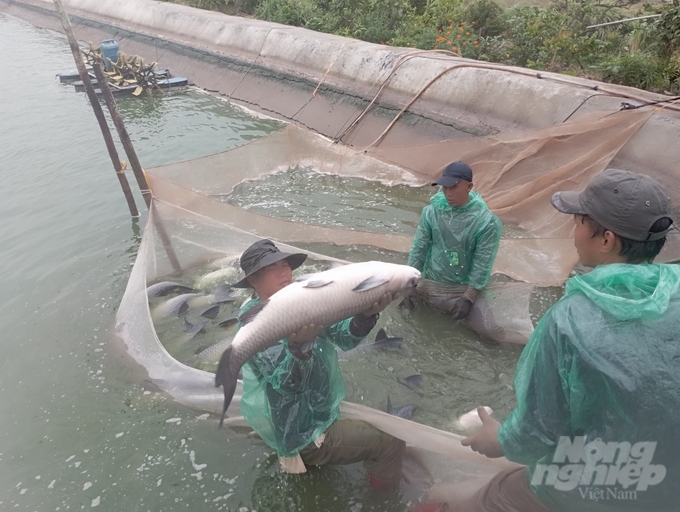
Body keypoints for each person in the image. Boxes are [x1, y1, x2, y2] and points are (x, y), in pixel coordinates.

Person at [430, 169, 679, 512]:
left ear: (606, 240)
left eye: (578, 222)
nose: (574, 233)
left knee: (446, 499)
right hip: (667, 489)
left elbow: (537, 436)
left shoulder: (570, 320)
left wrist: (498, 439)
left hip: (587, 492)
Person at [233, 239, 406, 489]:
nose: (284, 272)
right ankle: (387, 500)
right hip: (305, 433)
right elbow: (285, 384)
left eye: (285, 264)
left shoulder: (304, 300)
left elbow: (344, 338)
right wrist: (299, 350)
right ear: (253, 280)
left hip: (321, 411)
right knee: (391, 443)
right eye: (272, 267)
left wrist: (365, 315)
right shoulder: (254, 327)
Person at [407, 161, 505, 340]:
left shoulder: (486, 222)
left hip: (461, 289)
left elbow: (482, 262)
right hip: (430, 283)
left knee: (492, 333)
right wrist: (409, 285)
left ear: (469, 186)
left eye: (454, 187)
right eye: (445, 188)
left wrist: (468, 297)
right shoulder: (431, 213)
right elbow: (419, 249)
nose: (448, 193)